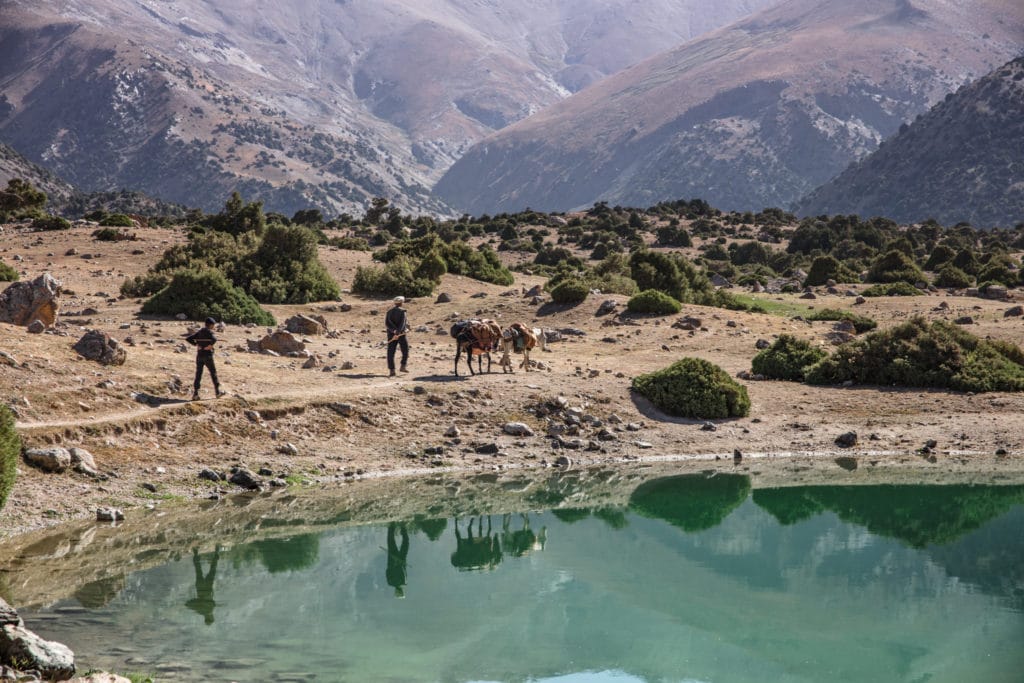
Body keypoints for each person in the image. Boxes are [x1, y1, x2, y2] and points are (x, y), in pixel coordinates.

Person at [186, 317, 224, 400]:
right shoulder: (209, 332)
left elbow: (188, 339)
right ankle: (217, 392)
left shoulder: (200, 332)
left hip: (199, 355)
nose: (214, 327)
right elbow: (214, 339)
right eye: (213, 325)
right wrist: (210, 346)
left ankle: (195, 394)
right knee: (213, 373)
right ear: (211, 325)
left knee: (198, 374)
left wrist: (197, 345)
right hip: (208, 356)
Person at [385, 296, 410, 377]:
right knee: (405, 350)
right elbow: (403, 323)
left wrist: (394, 331)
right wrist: (398, 332)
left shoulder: (389, 311)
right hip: (401, 334)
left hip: (391, 334)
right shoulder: (403, 311)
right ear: (402, 303)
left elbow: (387, 324)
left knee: (391, 352)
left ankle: (392, 370)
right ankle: (403, 366)